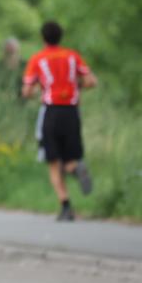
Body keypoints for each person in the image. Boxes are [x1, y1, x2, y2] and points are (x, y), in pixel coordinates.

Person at [22, 20, 98, 222]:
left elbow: (27, 91)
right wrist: (76, 87)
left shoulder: (38, 59)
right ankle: (75, 168)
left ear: (43, 38)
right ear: (60, 36)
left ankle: (66, 207)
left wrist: (39, 91)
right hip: (72, 112)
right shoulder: (72, 56)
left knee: (53, 162)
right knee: (70, 158)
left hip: (51, 112)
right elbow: (91, 81)